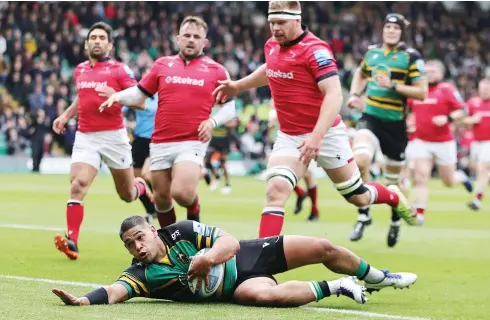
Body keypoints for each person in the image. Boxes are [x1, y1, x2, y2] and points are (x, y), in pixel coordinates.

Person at [213, 1, 414, 239]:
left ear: (297, 20)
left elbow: (334, 94)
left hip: (326, 134)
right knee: (275, 190)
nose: (275, 28)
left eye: (281, 22)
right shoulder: (272, 46)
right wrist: (238, 86)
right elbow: (271, 69)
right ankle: (263, 263)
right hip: (290, 136)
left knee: (357, 196)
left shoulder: (315, 50)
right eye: (272, 23)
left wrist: (317, 137)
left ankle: (391, 195)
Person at [52, 216, 417, 307]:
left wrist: (206, 259)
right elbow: (115, 291)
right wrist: (84, 300)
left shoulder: (179, 231)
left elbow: (228, 241)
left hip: (248, 254)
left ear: (152, 229)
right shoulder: (142, 275)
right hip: (238, 287)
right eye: (130, 245)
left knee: (323, 247)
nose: (137, 247)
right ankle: (340, 286)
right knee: (264, 298)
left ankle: (378, 276)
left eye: (139, 237)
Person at [99, 16, 236, 228]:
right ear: (178, 38)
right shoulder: (162, 65)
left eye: (196, 36)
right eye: (187, 35)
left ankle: (194, 208)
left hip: (192, 140)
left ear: (205, 42)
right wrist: (118, 96)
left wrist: (212, 121)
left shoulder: (216, 70)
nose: (191, 40)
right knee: (162, 199)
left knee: (181, 193)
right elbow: (140, 93)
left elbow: (230, 106)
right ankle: (172, 246)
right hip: (160, 141)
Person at [51, 22, 153, 260]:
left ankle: (141, 188)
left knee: (127, 195)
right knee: (77, 185)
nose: (97, 41)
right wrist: (66, 115)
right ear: (87, 43)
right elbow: (82, 97)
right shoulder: (80, 70)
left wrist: (116, 97)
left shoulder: (119, 70)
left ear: (109, 44)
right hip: (86, 136)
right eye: (93, 37)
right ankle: (72, 241)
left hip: (113, 138)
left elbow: (140, 101)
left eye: (101, 38)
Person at [347, 13, 428, 247]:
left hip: (395, 125)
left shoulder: (411, 57)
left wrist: (393, 85)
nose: (391, 31)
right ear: (382, 30)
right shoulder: (372, 53)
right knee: (360, 160)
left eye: (396, 28)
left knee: (393, 182)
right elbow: (360, 74)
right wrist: (354, 94)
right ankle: (364, 215)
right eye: (388, 27)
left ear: (402, 32)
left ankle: (395, 222)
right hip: (370, 117)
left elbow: (422, 92)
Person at [408, 60, 472, 225]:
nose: (429, 75)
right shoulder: (416, 90)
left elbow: (463, 110)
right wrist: (409, 121)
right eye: (426, 72)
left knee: (448, 181)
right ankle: (419, 213)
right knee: (421, 176)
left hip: (443, 142)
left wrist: (448, 118)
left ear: (441, 74)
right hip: (421, 141)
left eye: (433, 72)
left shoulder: (447, 89)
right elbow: (407, 110)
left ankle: (461, 177)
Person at [268, 100, 320, 221]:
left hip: (301, 141)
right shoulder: (275, 110)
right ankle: (303, 197)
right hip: (283, 144)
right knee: (279, 174)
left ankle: (313, 209)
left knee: (307, 175)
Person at [122, 68, 158, 223]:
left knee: (146, 174)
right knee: (136, 179)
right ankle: (152, 210)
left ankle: (161, 201)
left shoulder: (160, 95)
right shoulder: (137, 96)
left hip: (155, 140)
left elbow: (150, 108)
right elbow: (121, 108)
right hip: (139, 140)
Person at [465, 78, 490, 211]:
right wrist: (472, 120)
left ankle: (477, 200)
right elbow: (463, 119)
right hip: (476, 142)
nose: (485, 91)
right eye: (483, 89)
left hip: (488, 142)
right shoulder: (473, 102)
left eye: (487, 89)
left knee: (483, 167)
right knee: (476, 168)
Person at [203, 114, 238, 195]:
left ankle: (227, 185)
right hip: (214, 140)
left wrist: (225, 123)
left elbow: (234, 123)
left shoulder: (227, 110)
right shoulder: (212, 110)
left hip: (224, 140)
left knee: (223, 163)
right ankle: (216, 178)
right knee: (207, 160)